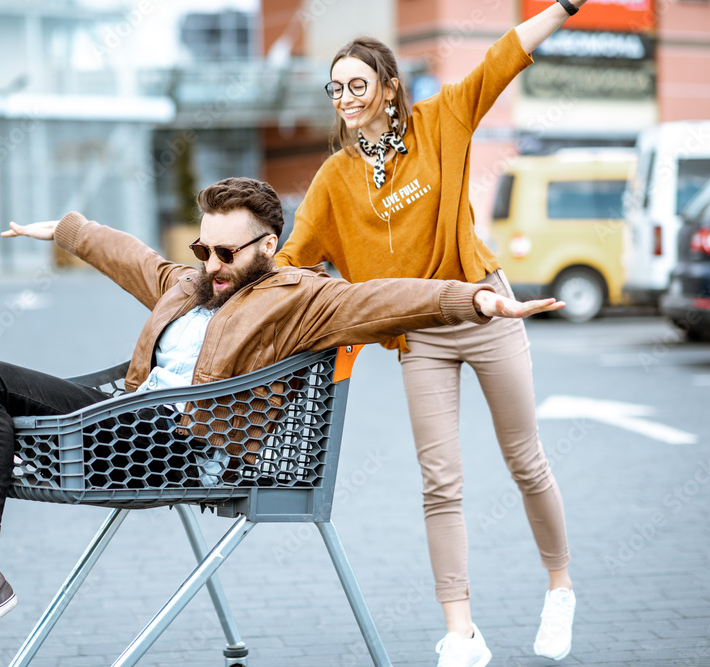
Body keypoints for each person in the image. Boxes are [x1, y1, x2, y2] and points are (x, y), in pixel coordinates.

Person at [0, 177, 562, 659]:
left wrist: (476, 300)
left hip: (181, 443)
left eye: (227, 252)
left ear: (269, 244)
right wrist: (62, 229)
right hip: (127, 424)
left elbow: (385, 299)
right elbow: (131, 257)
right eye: (203, 248)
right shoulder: (192, 280)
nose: (211, 264)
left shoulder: (301, 297)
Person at [272, 2, 589, 665]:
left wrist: (563, 7)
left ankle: (560, 586)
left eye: (357, 84)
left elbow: (504, 54)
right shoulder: (334, 179)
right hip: (421, 335)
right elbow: (290, 260)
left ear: (388, 86)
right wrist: (226, 274)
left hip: (486, 311)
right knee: (440, 482)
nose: (345, 98)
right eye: (336, 88)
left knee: (525, 461)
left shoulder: (442, 119)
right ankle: (461, 630)